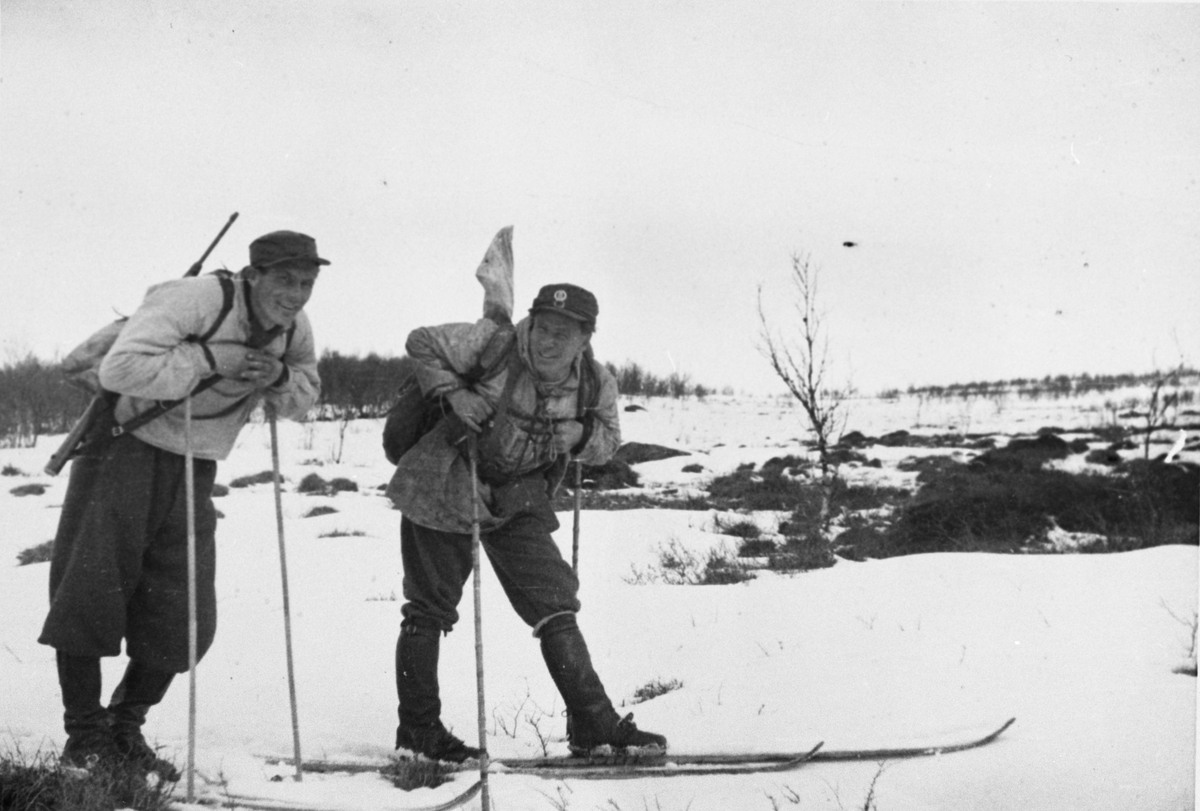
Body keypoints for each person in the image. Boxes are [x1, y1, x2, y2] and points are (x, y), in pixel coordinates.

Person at [38, 230, 328, 778]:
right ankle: (85, 737)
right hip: (124, 448)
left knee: (185, 610)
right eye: (285, 279)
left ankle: (125, 726)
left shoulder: (294, 330)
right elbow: (118, 370)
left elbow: (305, 396)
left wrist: (279, 375)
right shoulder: (195, 299)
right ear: (254, 275)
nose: (295, 294)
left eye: (307, 282)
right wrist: (208, 359)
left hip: (196, 463)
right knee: (90, 594)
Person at [387, 282, 667, 762]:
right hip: (448, 476)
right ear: (531, 323)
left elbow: (608, 443)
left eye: (564, 333)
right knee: (429, 607)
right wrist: (453, 393)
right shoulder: (492, 345)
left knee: (554, 601)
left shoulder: (596, 383)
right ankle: (418, 734)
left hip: (518, 493)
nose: (548, 340)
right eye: (543, 327)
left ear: (585, 339)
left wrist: (581, 437)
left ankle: (592, 722)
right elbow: (421, 340)